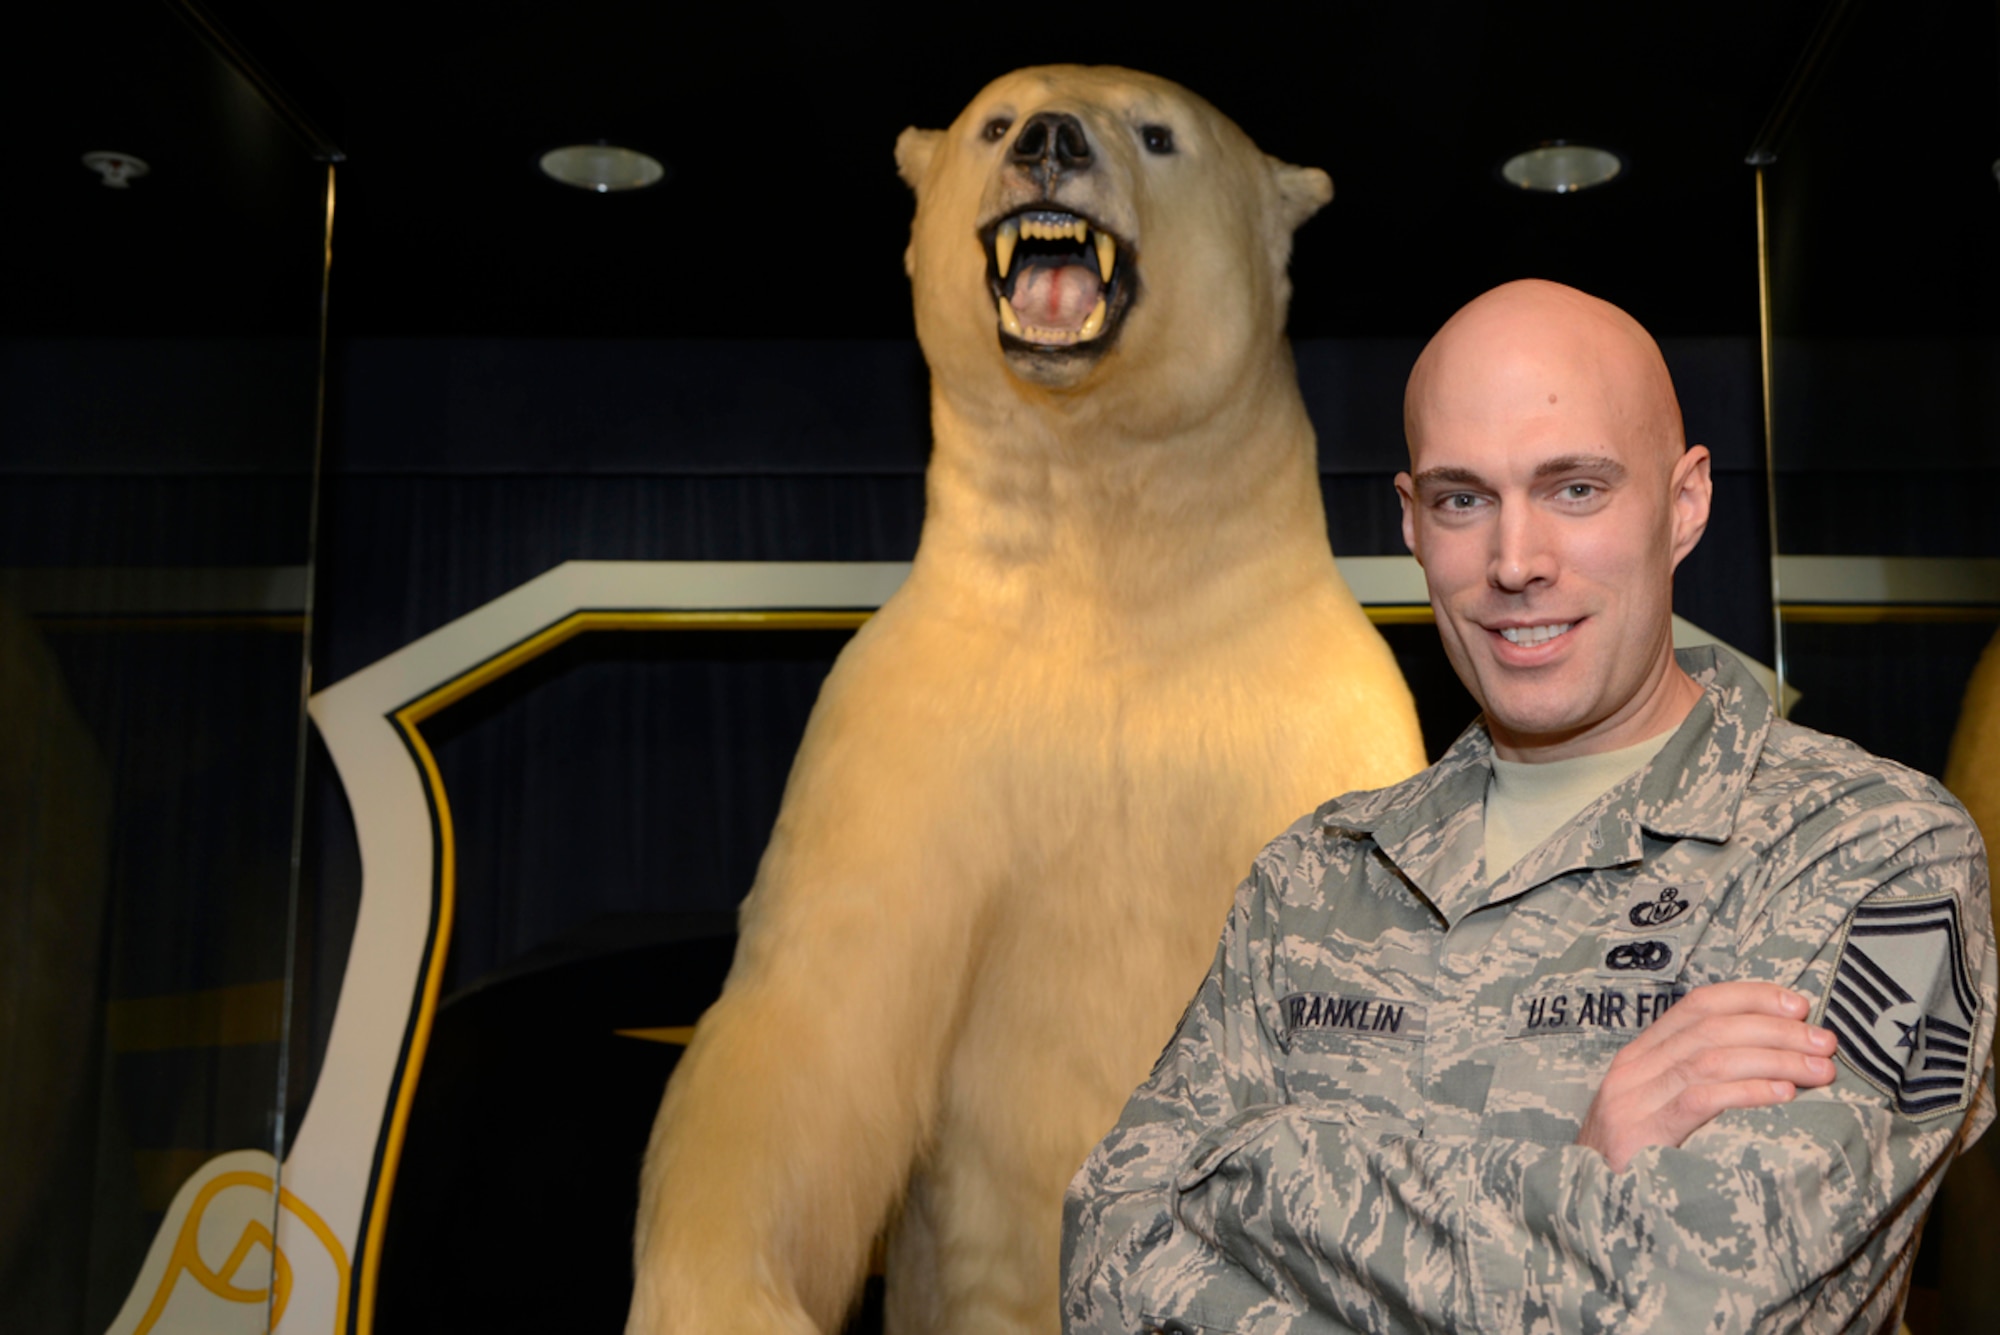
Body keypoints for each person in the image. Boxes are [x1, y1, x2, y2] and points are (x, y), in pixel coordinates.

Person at [1061, 279, 1994, 1334]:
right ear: (1411, 522)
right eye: (1464, 500)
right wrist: (1575, 1175)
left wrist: (1252, 1173)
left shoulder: (1869, 851)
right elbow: (1110, 1254)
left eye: (1574, 489)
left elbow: (1708, 1302)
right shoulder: (1314, 878)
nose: (1514, 563)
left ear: (1683, 505)